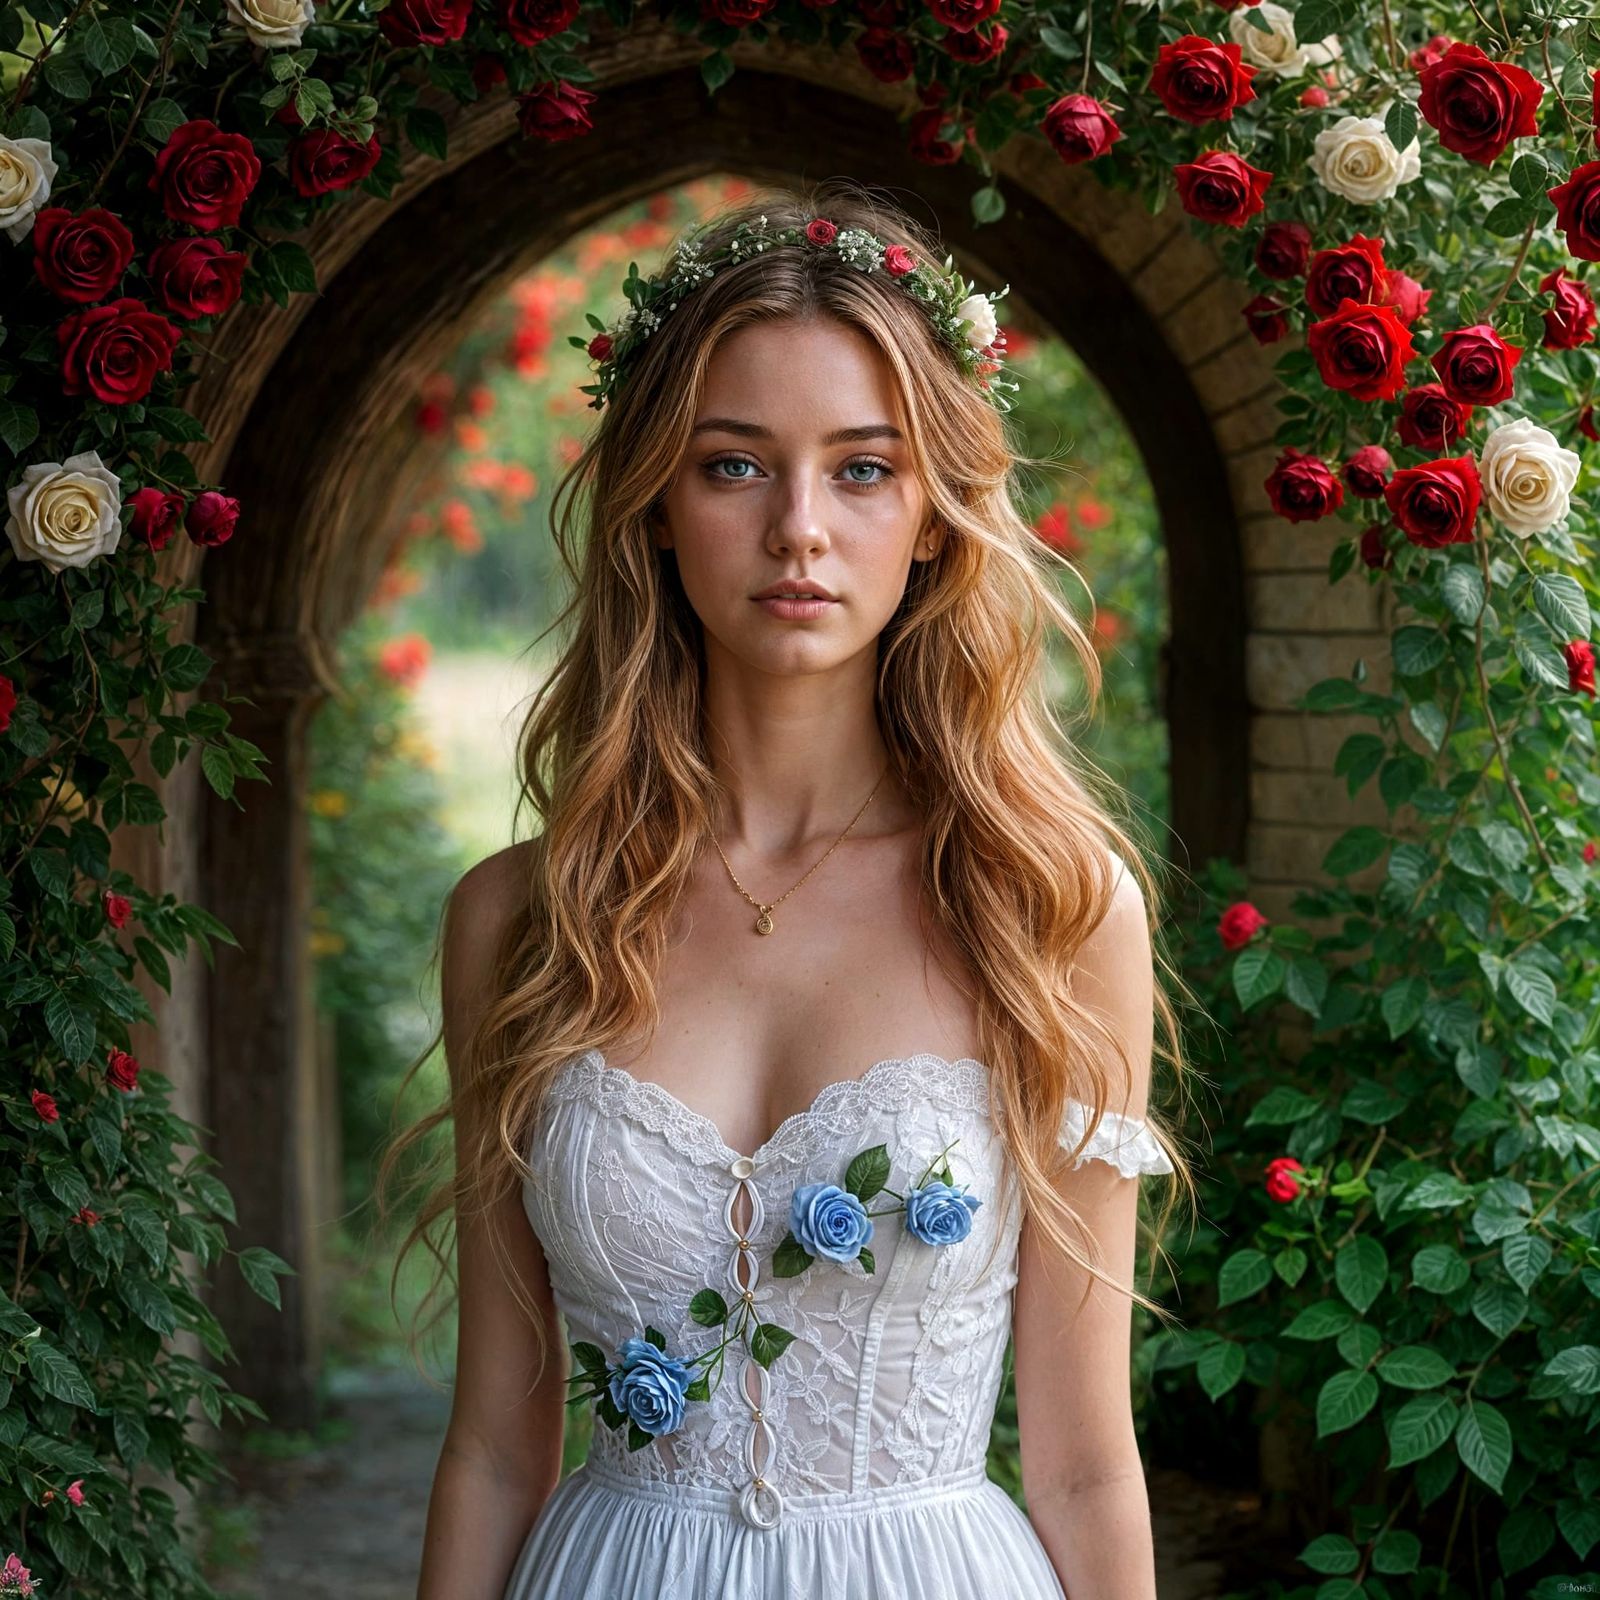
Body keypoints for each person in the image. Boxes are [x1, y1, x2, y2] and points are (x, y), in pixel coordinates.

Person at [385, 178, 1195, 1600]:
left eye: (865, 468)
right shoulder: (522, 919)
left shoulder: (1052, 911)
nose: (801, 530)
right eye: (735, 464)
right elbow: (498, 1448)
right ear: (654, 507)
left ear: (937, 515)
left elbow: (1079, 1461)